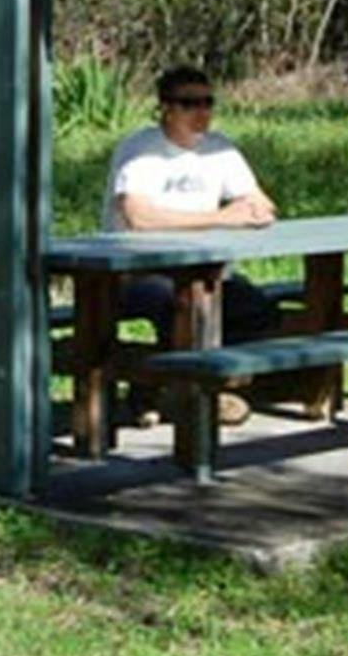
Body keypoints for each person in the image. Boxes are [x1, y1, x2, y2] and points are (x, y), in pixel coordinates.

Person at [103, 65, 280, 425]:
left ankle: (197, 387)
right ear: (166, 108)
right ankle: (172, 391)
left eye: (207, 102)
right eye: (189, 103)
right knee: (181, 308)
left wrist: (251, 210)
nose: (202, 112)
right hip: (137, 270)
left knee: (259, 310)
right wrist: (221, 217)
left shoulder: (220, 150)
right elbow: (140, 218)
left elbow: (261, 205)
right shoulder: (140, 151)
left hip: (205, 269)